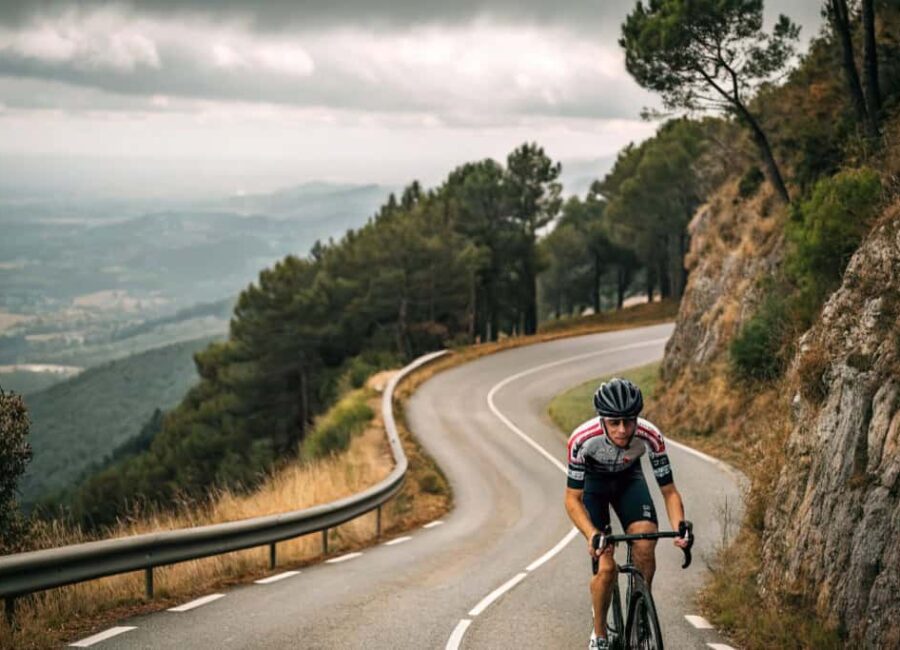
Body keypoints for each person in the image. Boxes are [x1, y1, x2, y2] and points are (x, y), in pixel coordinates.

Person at [564, 377, 691, 650]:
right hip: (594, 485)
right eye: (614, 423)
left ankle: (641, 608)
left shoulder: (651, 436)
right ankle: (599, 635)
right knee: (607, 566)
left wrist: (681, 527)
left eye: (629, 421)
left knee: (645, 541)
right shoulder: (582, 440)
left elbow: (669, 491)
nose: (623, 430)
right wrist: (592, 534)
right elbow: (572, 499)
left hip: (628, 480)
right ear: (602, 420)